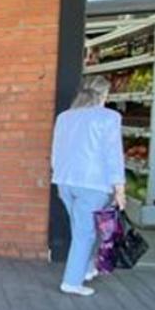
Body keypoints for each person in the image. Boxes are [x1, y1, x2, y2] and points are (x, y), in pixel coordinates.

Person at [51, 75, 126, 296]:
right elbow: (113, 154)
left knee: (81, 229)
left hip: (65, 180)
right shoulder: (109, 117)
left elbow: (56, 150)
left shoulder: (64, 117)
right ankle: (71, 281)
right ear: (103, 94)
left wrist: (57, 174)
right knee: (85, 233)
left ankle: (85, 269)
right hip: (93, 183)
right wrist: (120, 188)